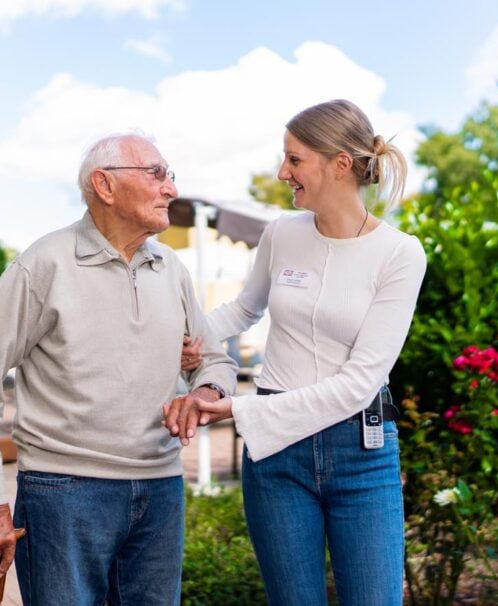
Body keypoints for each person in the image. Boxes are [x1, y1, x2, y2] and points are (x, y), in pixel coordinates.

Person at [0, 133, 237, 606]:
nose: (171, 189)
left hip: (161, 489)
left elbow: (214, 359)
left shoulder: (172, 269)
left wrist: (204, 391)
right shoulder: (45, 263)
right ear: (104, 185)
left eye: (171, 176)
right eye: (157, 174)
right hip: (64, 493)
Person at [165, 99, 427, 605]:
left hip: (360, 453)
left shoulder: (399, 254)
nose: (282, 172)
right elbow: (243, 310)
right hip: (277, 457)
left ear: (340, 165)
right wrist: (186, 340)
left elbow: (359, 383)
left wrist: (240, 409)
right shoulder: (282, 233)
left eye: (294, 159)